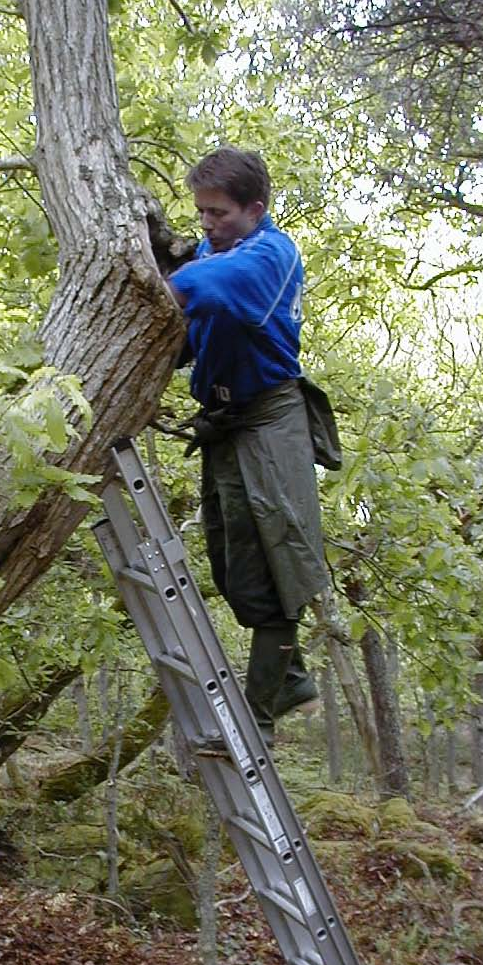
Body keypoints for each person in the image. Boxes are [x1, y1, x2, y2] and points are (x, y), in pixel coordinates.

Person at [166, 145, 328, 747]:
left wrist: (152, 281)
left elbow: (199, 288)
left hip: (271, 418)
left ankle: (256, 720)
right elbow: (188, 329)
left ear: (254, 209)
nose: (207, 226)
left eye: (219, 214)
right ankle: (288, 678)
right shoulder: (218, 248)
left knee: (277, 565)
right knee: (233, 567)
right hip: (227, 422)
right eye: (201, 214)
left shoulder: (271, 254)